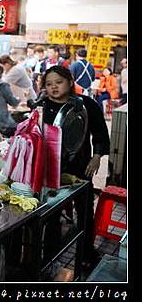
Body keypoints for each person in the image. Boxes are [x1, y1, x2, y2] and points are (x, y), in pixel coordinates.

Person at [38, 65, 110, 271]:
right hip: (51, 170)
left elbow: (100, 134)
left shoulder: (86, 105)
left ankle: (87, 251)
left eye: (58, 83)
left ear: (70, 82)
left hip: (81, 167)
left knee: (85, 209)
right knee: (51, 212)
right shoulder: (42, 106)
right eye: (49, 84)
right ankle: (50, 255)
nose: (53, 88)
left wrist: (96, 157)